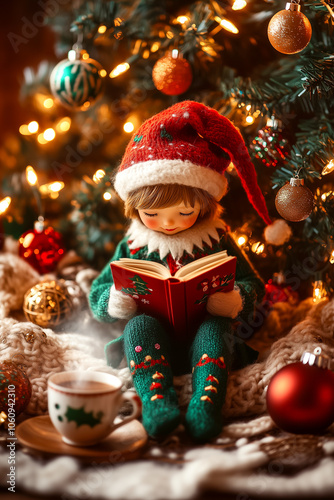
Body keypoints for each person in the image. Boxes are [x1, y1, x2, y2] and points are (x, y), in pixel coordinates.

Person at [89, 100, 271, 442]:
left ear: (203, 204)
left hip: (203, 333)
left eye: (183, 212)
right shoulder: (133, 243)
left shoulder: (216, 238)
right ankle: (157, 401)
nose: (168, 224)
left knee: (216, 329)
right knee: (138, 327)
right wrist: (113, 301)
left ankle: (206, 404)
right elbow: (98, 291)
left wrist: (235, 300)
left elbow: (253, 284)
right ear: (135, 208)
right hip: (154, 339)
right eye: (153, 214)